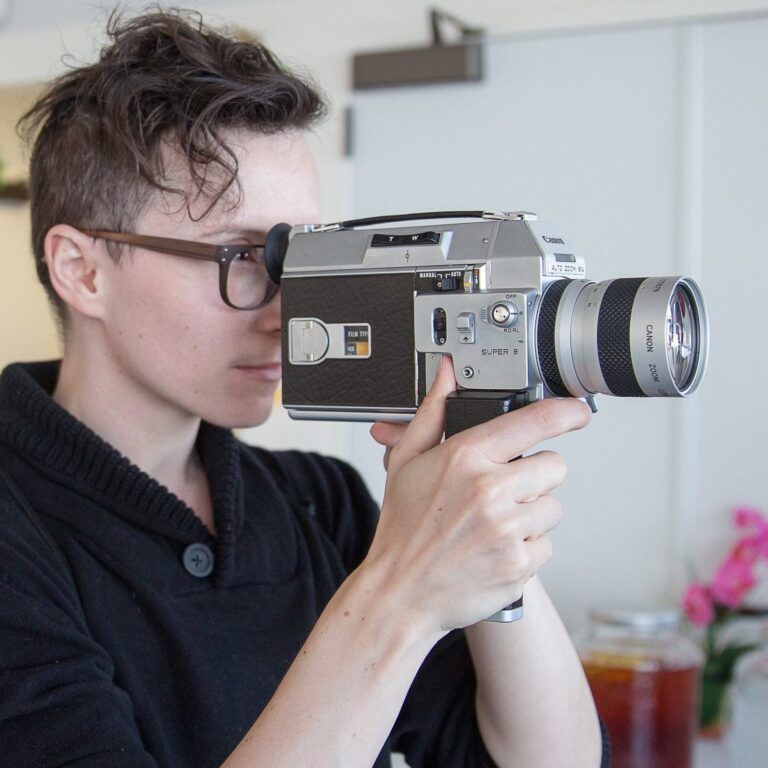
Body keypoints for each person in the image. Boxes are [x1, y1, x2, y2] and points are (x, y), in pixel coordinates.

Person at [0, 8, 609, 768]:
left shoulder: (319, 501)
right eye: (242, 257)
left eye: (302, 261)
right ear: (82, 270)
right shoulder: (19, 535)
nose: (291, 312)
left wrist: (485, 530)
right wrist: (400, 593)